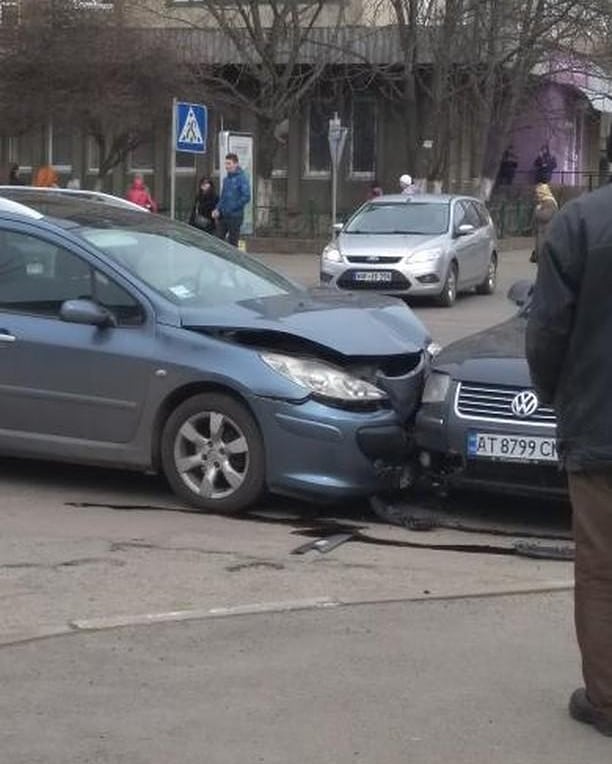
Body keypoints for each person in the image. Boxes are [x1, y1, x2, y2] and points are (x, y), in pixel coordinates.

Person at [526, 181, 612, 738]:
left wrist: (561, 397)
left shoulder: (581, 222)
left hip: (601, 424)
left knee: (602, 568)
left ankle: (606, 700)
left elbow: (547, 331)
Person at [213, 153, 251, 246]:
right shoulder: (226, 180)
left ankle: (232, 260)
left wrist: (232, 207)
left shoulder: (242, 178)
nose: (226, 166)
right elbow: (222, 197)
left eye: (229, 164)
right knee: (218, 240)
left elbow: (246, 196)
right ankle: (218, 260)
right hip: (223, 215)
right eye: (226, 164)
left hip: (235, 217)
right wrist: (217, 209)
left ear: (236, 164)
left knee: (232, 243)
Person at [530, 183, 558, 264]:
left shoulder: (549, 203)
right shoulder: (543, 203)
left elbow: (545, 216)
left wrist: (537, 210)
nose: (537, 195)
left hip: (546, 234)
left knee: (544, 257)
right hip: (542, 233)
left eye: (539, 193)